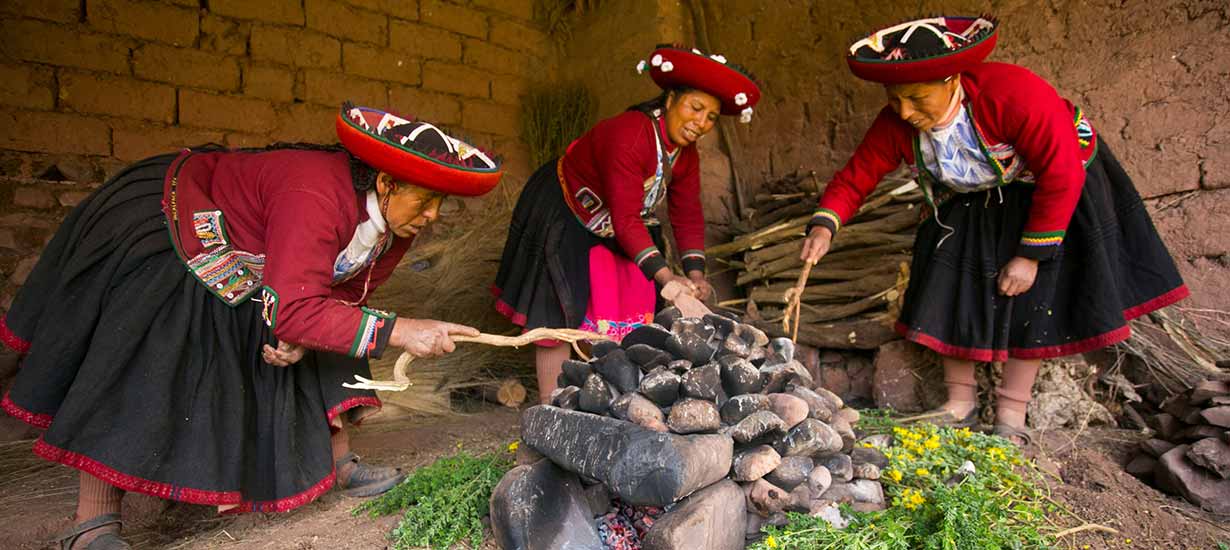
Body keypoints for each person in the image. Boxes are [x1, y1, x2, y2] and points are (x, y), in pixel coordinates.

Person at [0, 102, 504, 549]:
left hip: (253, 243)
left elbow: (345, 296)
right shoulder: (315, 196)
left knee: (336, 324)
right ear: (387, 183)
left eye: (442, 202)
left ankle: (337, 462)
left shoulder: (396, 223)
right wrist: (400, 329)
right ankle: (90, 522)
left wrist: (300, 335)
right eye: (426, 200)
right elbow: (301, 305)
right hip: (174, 220)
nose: (433, 215)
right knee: (151, 345)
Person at [799, 16, 1188, 444]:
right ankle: (958, 404)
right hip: (980, 187)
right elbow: (857, 176)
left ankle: (1011, 411)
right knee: (948, 276)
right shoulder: (897, 123)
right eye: (895, 99)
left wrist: (1030, 256)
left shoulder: (1014, 96)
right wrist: (825, 225)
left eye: (916, 97)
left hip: (1057, 185)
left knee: (1036, 294)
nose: (905, 111)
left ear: (952, 80)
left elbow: (1061, 176)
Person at [493, 45, 761, 402]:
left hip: (618, 222)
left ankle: (611, 400)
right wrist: (668, 281)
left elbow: (686, 212)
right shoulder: (631, 134)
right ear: (670, 99)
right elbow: (625, 218)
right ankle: (550, 409)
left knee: (634, 303)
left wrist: (694, 275)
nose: (702, 122)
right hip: (564, 208)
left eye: (711, 117)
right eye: (695, 108)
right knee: (557, 310)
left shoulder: (685, 153)